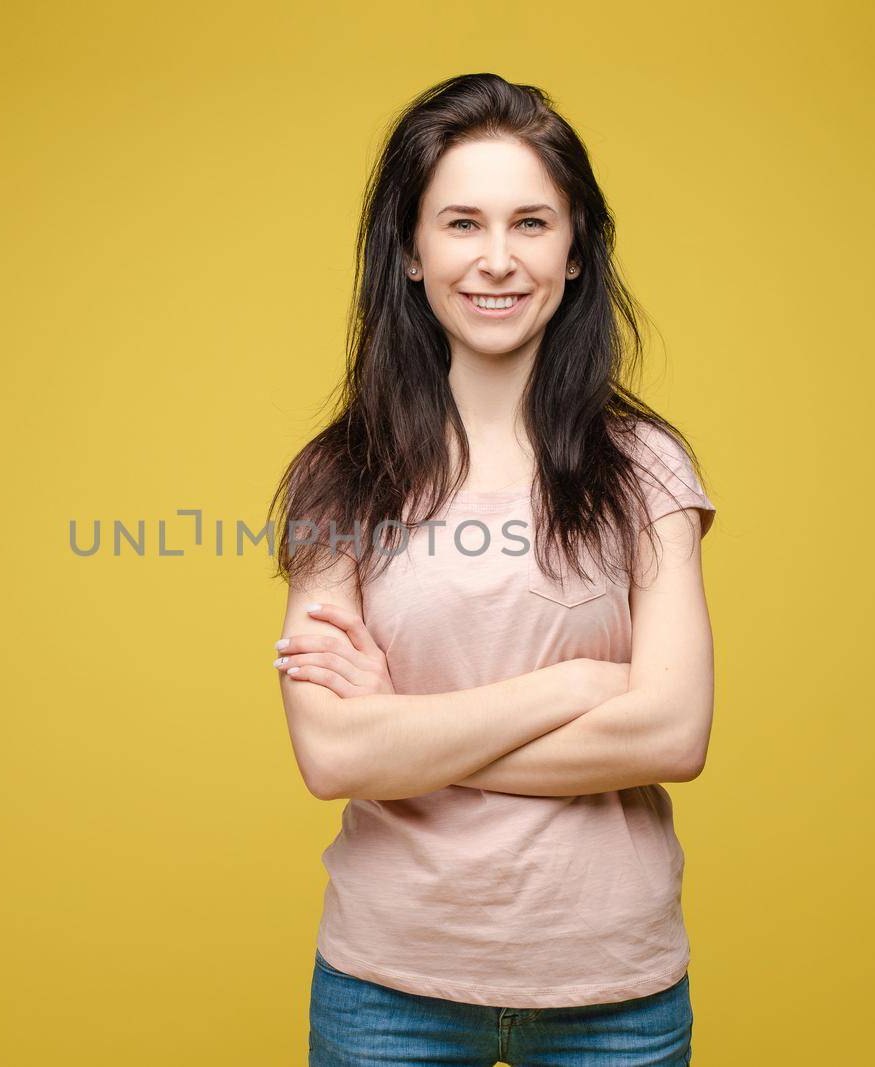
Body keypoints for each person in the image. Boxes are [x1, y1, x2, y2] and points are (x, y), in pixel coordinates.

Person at [266, 73, 718, 1066]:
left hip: (615, 991)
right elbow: (334, 758)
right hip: (388, 987)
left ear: (574, 250)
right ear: (413, 253)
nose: (498, 259)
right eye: (462, 223)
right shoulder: (339, 478)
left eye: (532, 222)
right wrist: (577, 687)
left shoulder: (647, 469)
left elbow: (674, 730)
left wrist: (408, 734)